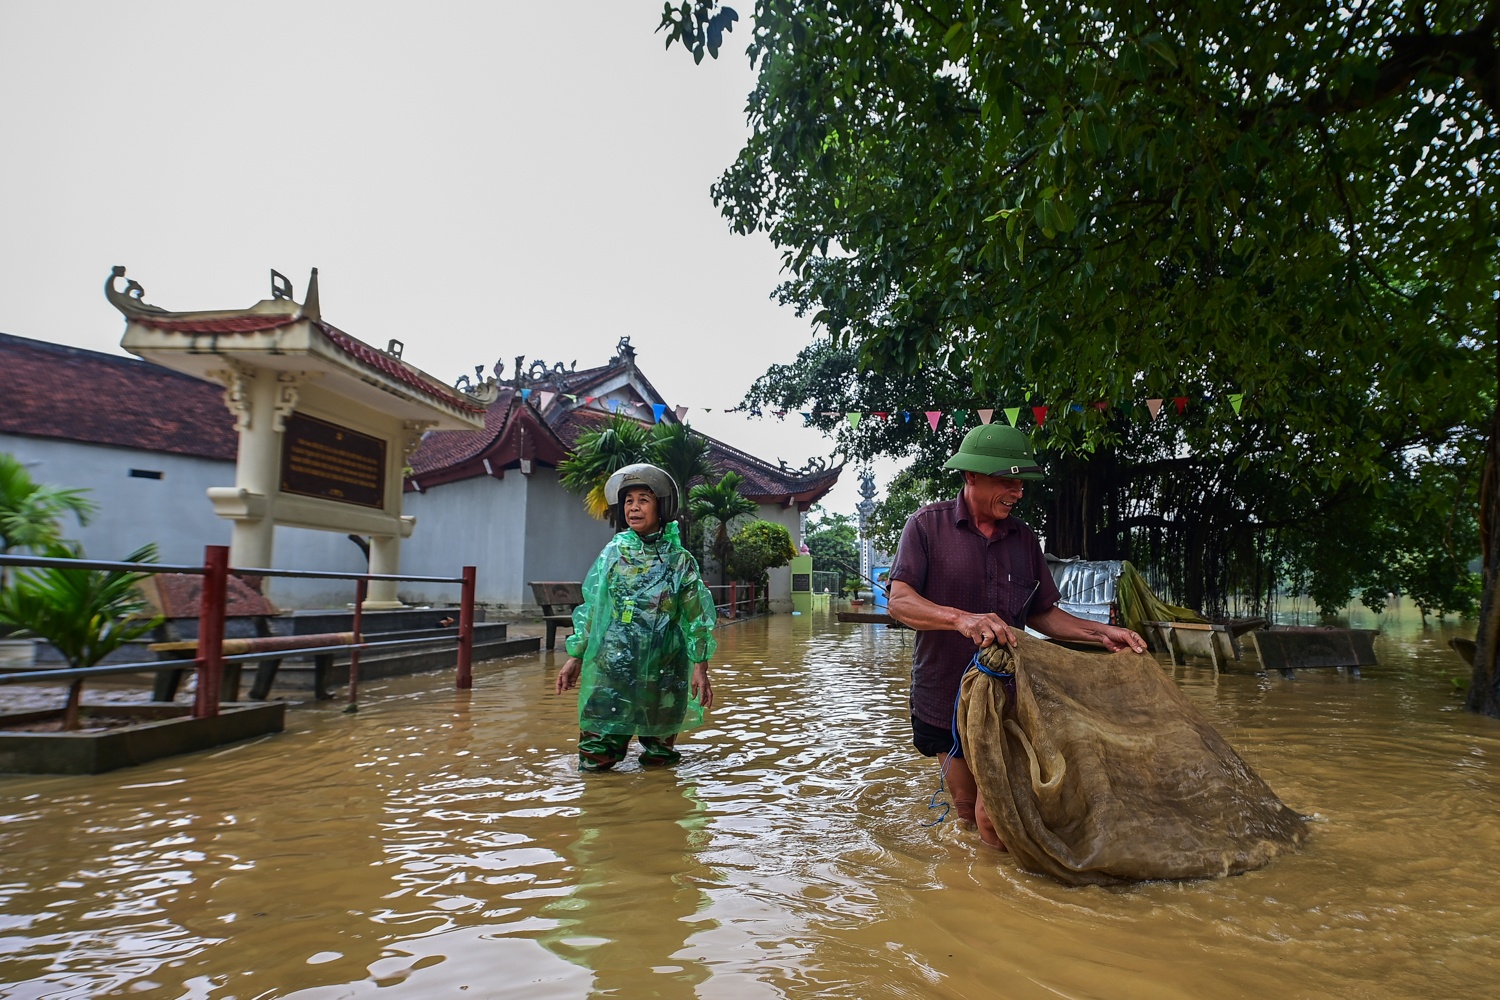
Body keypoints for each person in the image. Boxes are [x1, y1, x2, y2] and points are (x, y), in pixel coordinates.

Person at [886, 425, 1147, 848]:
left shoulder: (1023, 539)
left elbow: (1042, 614)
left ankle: (1011, 894)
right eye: (1006, 480)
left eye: (1020, 483)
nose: (1017, 492)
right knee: (968, 810)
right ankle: (981, 893)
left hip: (1008, 698)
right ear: (971, 476)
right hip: (942, 700)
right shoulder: (925, 527)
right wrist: (960, 619)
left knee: (997, 815)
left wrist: (1101, 633)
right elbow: (899, 602)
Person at [555, 463, 717, 771]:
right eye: (629, 500)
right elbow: (594, 607)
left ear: (661, 506)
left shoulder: (679, 560)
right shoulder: (614, 553)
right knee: (596, 752)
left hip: (663, 667)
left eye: (644, 499)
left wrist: (701, 667)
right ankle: (600, 812)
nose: (634, 507)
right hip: (613, 663)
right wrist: (575, 656)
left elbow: (697, 617)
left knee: (659, 756)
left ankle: (656, 812)